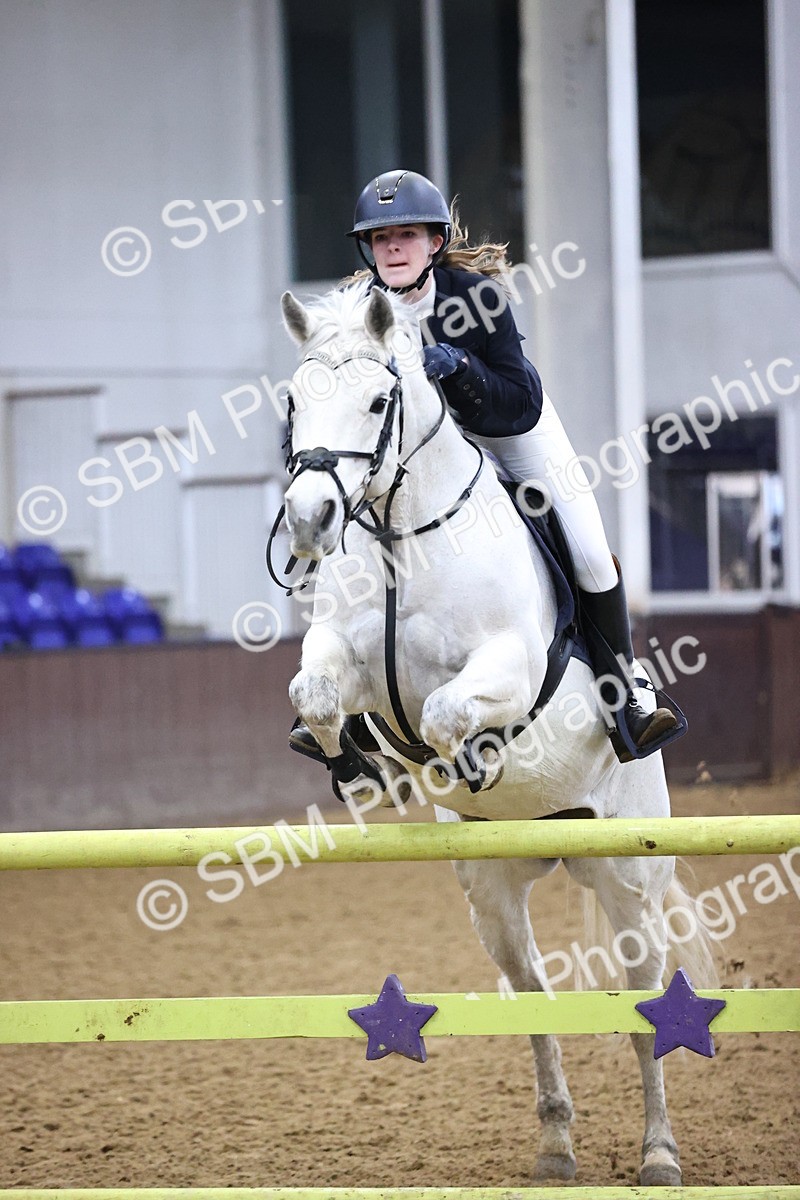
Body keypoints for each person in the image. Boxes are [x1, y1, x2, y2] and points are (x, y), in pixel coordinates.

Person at [291, 169, 682, 766]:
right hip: (412, 454)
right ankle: (344, 707)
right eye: (379, 238)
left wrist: (462, 369)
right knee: (353, 531)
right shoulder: (355, 313)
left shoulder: (476, 298)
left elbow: (520, 401)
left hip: (508, 431)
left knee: (588, 546)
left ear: (435, 243)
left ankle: (624, 691)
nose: (392, 248)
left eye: (406, 235)